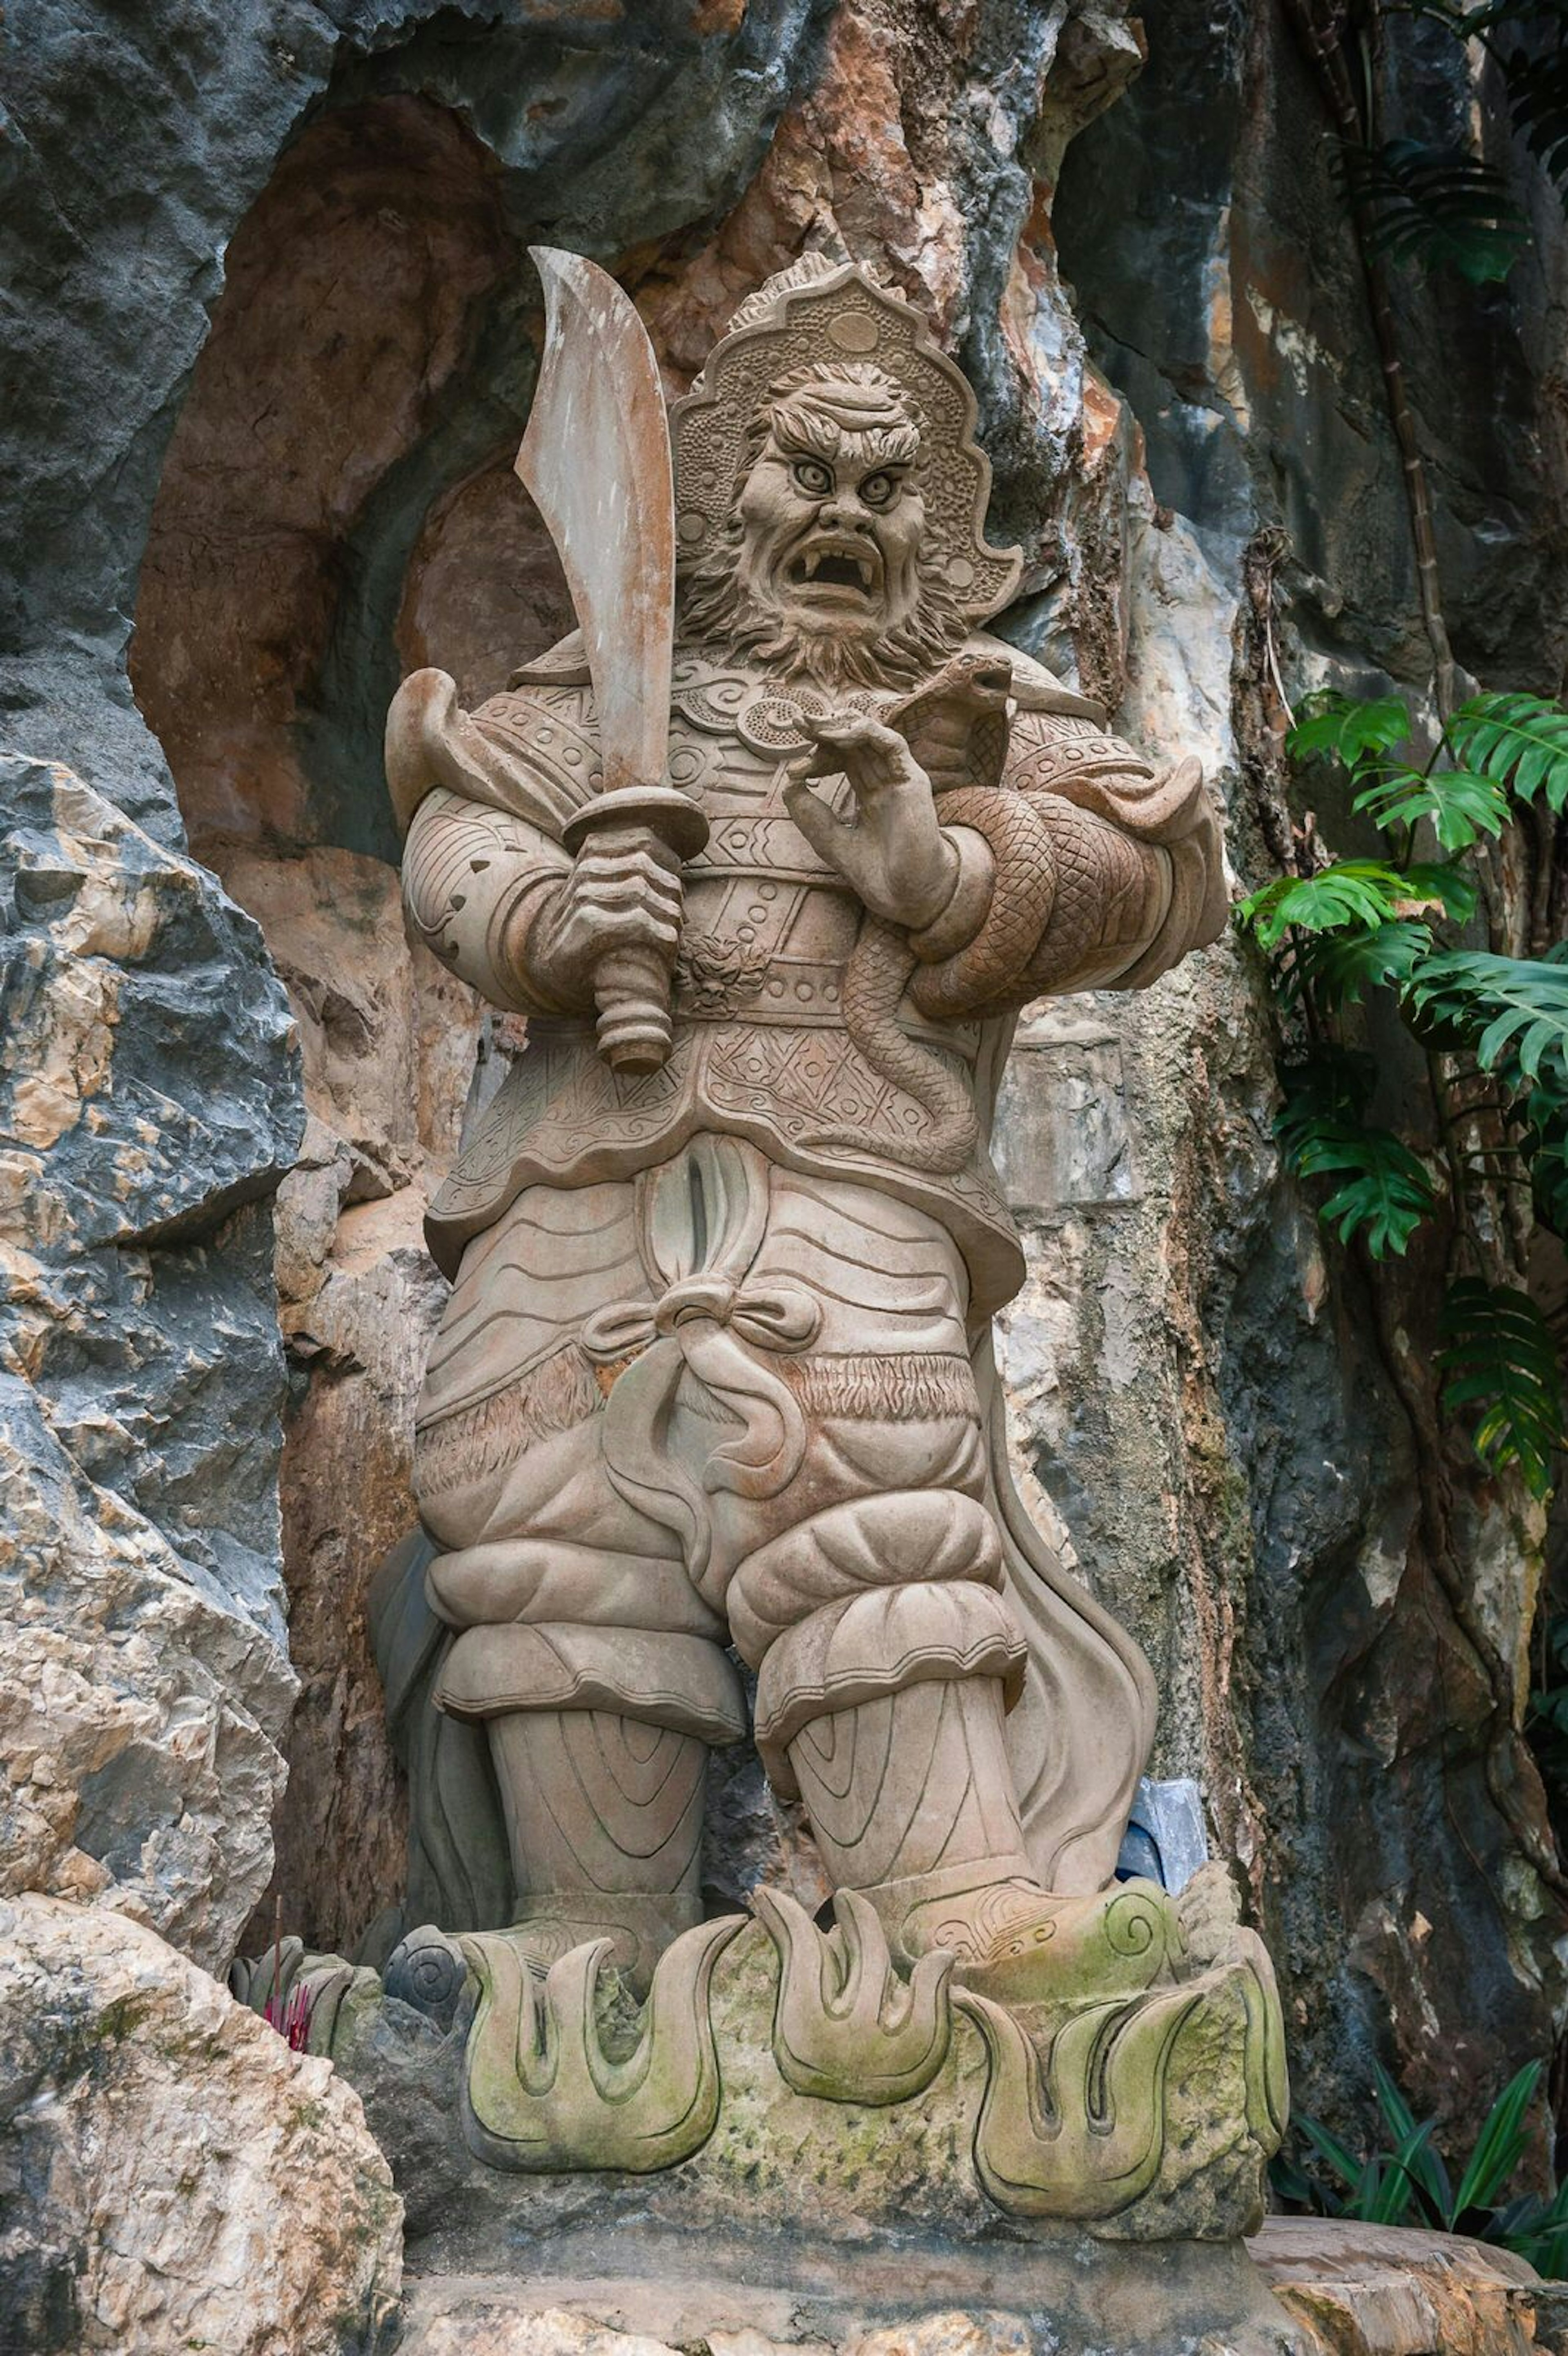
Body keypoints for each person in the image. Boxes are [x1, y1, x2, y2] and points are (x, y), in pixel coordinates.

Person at [384, 254, 1226, 1994]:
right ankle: (580, 1948)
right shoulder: (595, 703)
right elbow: (453, 844)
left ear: (942, 531)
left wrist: (945, 868)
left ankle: (962, 1920)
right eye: (802, 472)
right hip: (577, 1176)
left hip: (844, 1175)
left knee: (870, 1502)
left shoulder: (982, 712)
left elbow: (1152, 870)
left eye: (884, 485)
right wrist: (551, 921)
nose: (841, 512)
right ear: (717, 493)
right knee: (544, 1526)